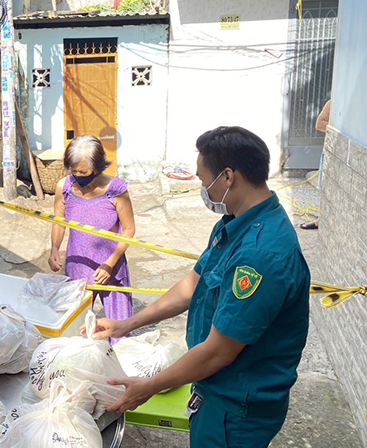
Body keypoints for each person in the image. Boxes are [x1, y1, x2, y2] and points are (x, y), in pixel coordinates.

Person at [90, 126, 311, 447]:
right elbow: (193, 285)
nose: (203, 188)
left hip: (235, 411)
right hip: (214, 391)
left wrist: (147, 386)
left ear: (228, 177)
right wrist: (127, 323)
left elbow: (218, 352)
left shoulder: (261, 254)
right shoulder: (235, 224)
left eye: (203, 180)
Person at [48, 135, 136, 344]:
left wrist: (109, 264)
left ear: (97, 167)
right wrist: (54, 249)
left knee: (120, 333)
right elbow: (59, 221)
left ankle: (120, 373)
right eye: (74, 171)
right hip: (78, 268)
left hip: (112, 270)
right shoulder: (65, 187)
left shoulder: (116, 190)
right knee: (74, 330)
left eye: (84, 173)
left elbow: (129, 229)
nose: (78, 176)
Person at [301, 99, 331, 230]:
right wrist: (335, 124)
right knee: (323, 188)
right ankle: (320, 220)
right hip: (329, 152)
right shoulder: (332, 103)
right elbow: (319, 124)